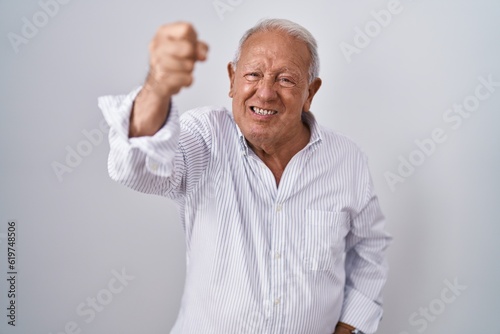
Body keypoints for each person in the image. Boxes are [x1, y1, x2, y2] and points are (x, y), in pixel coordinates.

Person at [99, 18, 391, 334]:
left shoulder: (347, 160)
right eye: (253, 74)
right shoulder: (206, 136)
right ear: (232, 79)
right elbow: (137, 166)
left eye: (286, 80)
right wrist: (158, 85)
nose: (265, 93)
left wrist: (349, 326)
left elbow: (369, 249)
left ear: (310, 92)